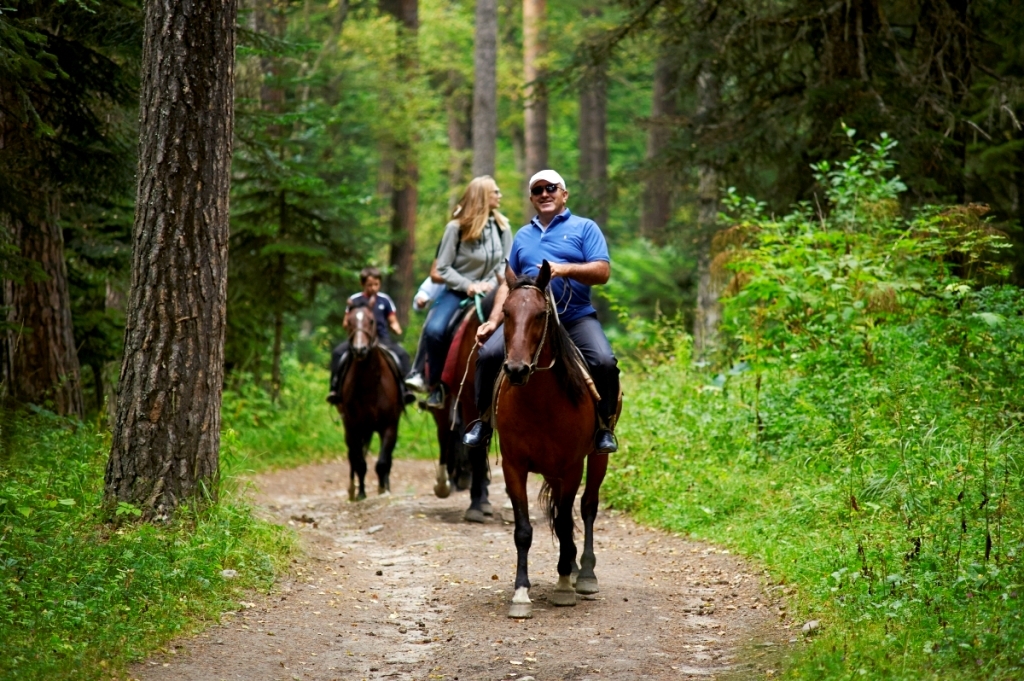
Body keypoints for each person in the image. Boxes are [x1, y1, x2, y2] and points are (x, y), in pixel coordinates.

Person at [463, 169, 620, 454]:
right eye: (538, 190)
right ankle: (483, 422)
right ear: (532, 198)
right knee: (487, 355)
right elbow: (507, 285)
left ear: (564, 194)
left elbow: (602, 271)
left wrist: (565, 269)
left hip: (574, 317)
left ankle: (603, 428)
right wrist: (494, 321)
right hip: (527, 322)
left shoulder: (585, 228)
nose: (545, 194)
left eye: (551, 188)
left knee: (604, 362)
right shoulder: (523, 235)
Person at [420, 175, 512, 409]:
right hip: (458, 292)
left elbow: (506, 262)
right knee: (434, 329)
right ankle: (436, 387)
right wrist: (468, 285)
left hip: (493, 290)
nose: (499, 196)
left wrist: (492, 283)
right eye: (495, 192)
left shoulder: (503, 227)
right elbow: (443, 267)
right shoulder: (455, 228)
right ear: (483, 196)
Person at [327, 266, 412, 404]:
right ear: (362, 284)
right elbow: (346, 320)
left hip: (381, 338)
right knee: (337, 353)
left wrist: (396, 327)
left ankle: (406, 389)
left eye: (376, 284)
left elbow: (392, 319)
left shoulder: (385, 300)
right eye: (369, 285)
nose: (373, 288)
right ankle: (335, 388)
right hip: (357, 339)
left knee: (402, 354)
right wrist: (350, 325)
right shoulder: (354, 300)